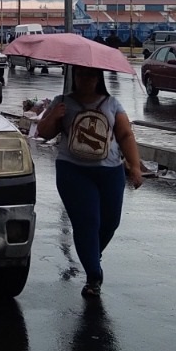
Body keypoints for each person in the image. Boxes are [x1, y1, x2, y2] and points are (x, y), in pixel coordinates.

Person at [34, 64, 144, 297]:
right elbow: (42, 133)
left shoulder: (112, 104)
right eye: (81, 74)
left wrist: (135, 166)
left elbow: (125, 135)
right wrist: (54, 115)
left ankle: (92, 253)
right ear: (74, 77)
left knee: (110, 222)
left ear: (98, 77)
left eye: (91, 75)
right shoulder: (62, 101)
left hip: (110, 172)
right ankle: (94, 275)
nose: (85, 79)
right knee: (87, 222)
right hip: (73, 172)